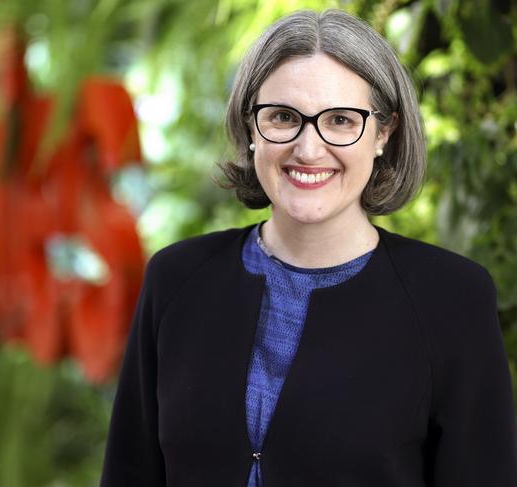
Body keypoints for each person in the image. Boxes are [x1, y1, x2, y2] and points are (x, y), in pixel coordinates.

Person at [100, 9, 517, 487]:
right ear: (251, 127)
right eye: (283, 117)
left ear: (384, 133)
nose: (309, 148)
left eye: (340, 120)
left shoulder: (452, 299)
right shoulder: (175, 280)